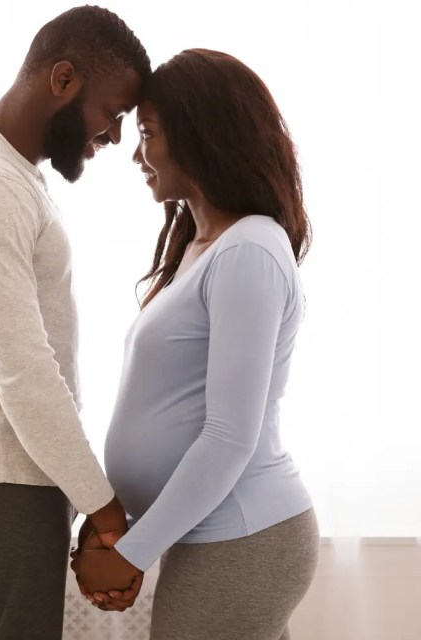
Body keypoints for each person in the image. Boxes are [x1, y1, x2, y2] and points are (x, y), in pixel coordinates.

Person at [0, 6, 150, 639]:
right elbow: (23, 370)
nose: (115, 137)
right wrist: (104, 506)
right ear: (62, 80)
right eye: (113, 114)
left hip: (2, 472)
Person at [69, 48, 319, 640]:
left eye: (149, 133)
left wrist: (132, 552)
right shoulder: (199, 248)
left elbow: (230, 436)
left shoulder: (249, 252)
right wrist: (118, 523)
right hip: (215, 536)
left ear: (203, 135)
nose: (137, 154)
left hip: (243, 535)